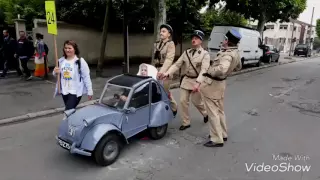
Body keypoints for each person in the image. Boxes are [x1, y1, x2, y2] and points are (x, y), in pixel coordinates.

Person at [200, 29, 242, 147]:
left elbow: (222, 68)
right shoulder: (235, 53)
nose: (223, 41)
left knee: (213, 112)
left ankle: (217, 138)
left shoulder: (228, 54)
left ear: (228, 41)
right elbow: (238, 67)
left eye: (225, 39)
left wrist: (210, 71)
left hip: (212, 85)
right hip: (221, 85)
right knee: (220, 111)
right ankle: (222, 133)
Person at [162, 30, 209, 131]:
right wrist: (168, 73)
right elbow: (177, 65)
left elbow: (204, 70)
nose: (193, 40)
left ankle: (205, 114)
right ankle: (186, 122)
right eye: (193, 38)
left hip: (197, 81)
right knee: (183, 101)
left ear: (201, 41)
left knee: (197, 102)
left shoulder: (205, 54)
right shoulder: (186, 52)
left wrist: (198, 82)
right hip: (186, 79)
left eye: (196, 38)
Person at [53, 40, 93, 110]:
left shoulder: (80, 61)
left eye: (69, 48)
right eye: (65, 48)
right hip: (64, 91)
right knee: (71, 111)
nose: (67, 50)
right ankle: (73, 120)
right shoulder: (61, 61)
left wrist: (90, 91)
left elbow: (86, 77)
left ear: (74, 49)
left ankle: (66, 120)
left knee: (68, 111)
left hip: (75, 92)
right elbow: (56, 74)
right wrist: (55, 72)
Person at [153, 24, 178, 116]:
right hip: (156, 70)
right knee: (156, 90)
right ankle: (159, 110)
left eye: (164, 31)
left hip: (165, 72)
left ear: (169, 34)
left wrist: (162, 72)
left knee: (165, 92)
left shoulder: (170, 44)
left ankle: (174, 107)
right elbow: (154, 59)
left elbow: (169, 59)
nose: (161, 33)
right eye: (161, 31)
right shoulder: (157, 44)